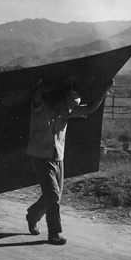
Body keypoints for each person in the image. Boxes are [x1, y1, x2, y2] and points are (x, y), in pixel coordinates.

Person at [25, 79, 107, 245]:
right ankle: (54, 234)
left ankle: (34, 213)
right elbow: (36, 97)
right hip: (41, 156)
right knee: (54, 196)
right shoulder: (40, 108)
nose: (69, 107)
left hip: (58, 157)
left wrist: (105, 89)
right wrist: (41, 87)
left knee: (54, 196)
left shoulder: (65, 111)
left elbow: (90, 109)